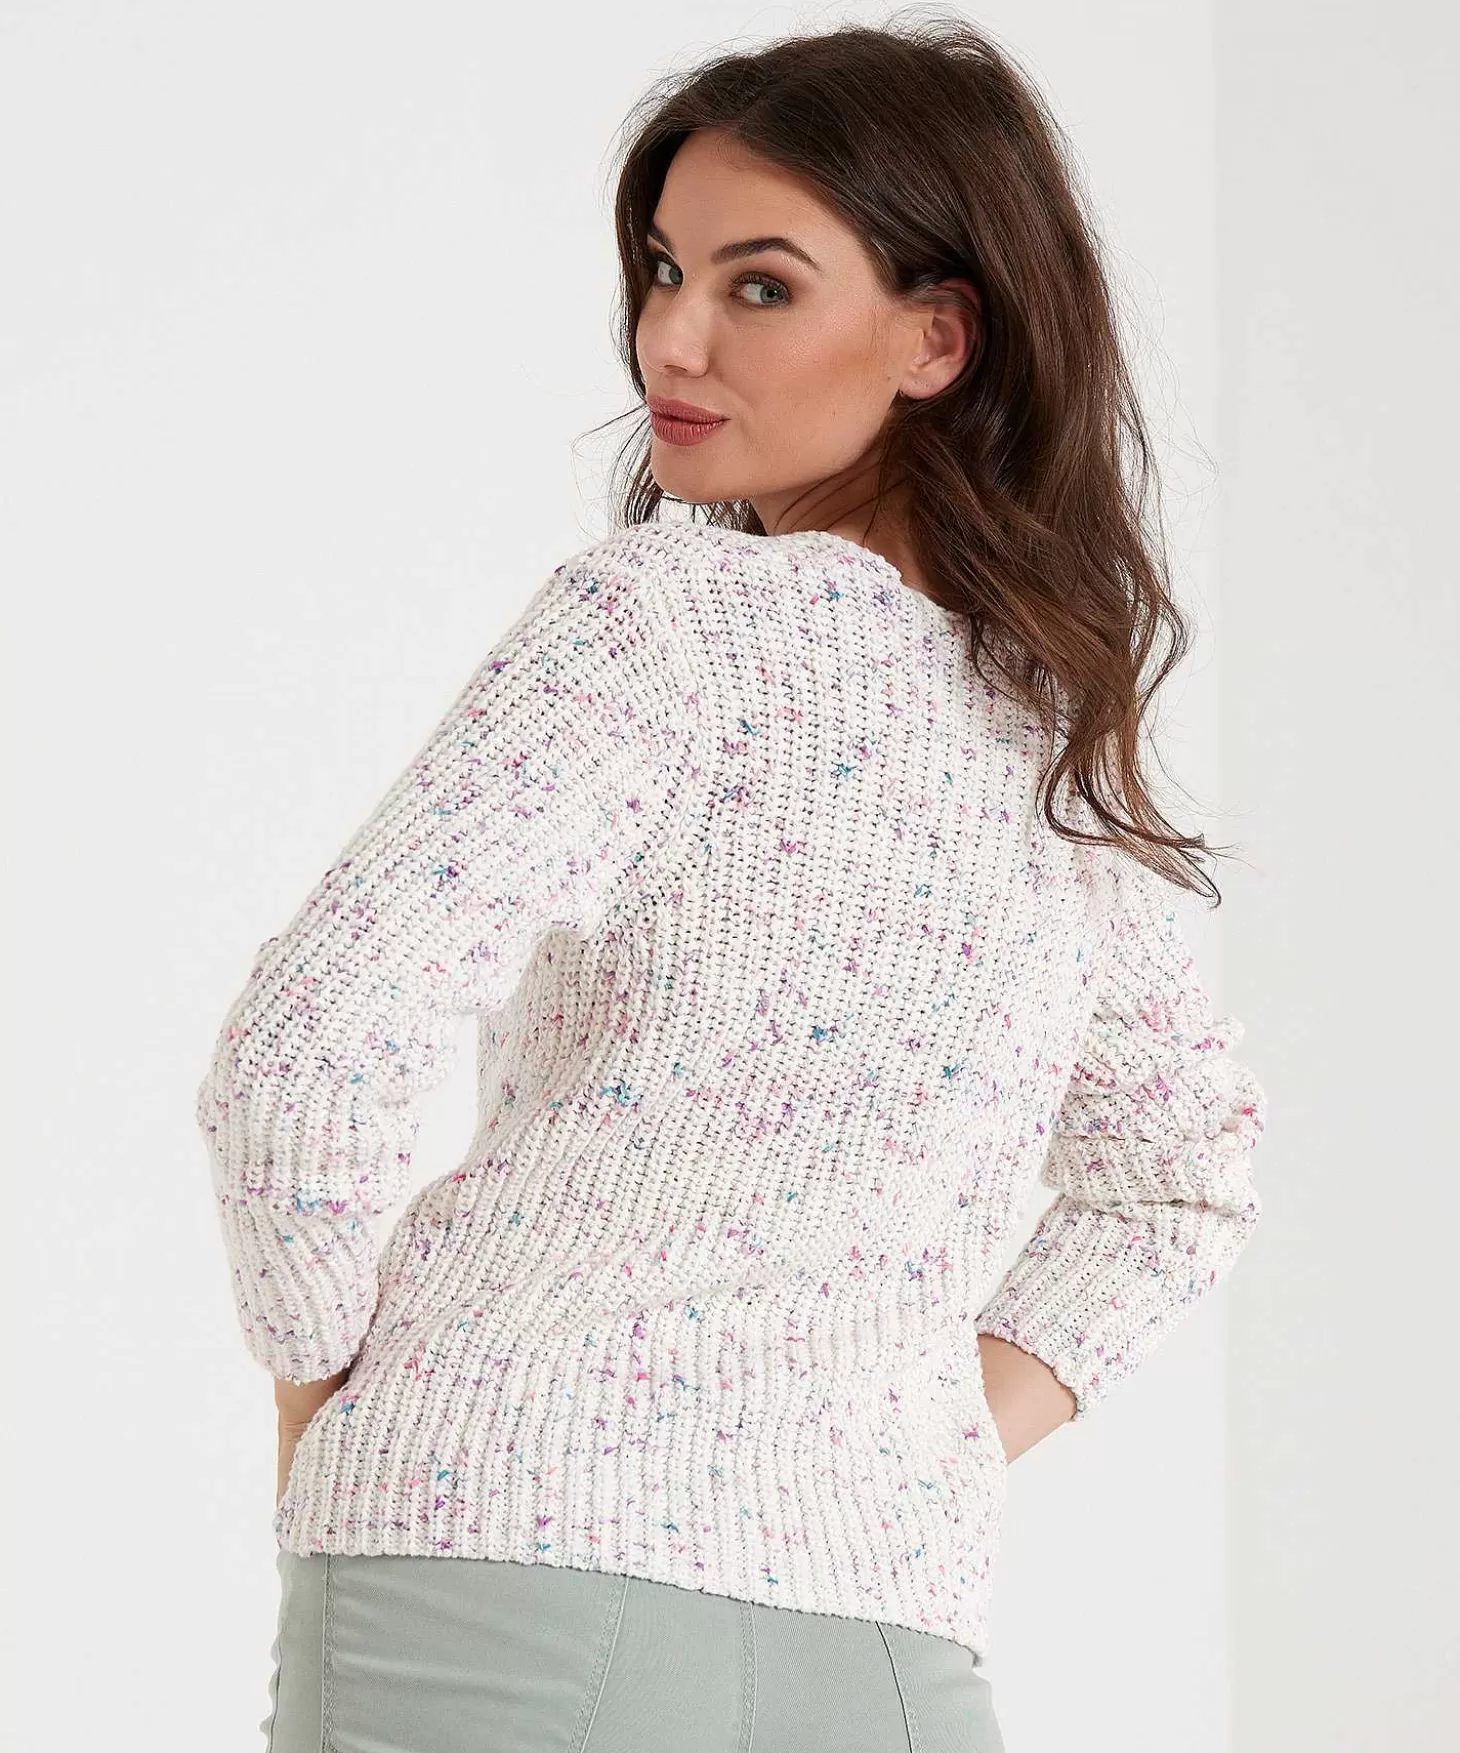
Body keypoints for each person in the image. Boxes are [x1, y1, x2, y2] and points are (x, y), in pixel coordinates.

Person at [197, 16, 1269, 1752]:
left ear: (937, 338)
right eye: (662, 269)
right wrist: (899, 1440)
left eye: (758, 286)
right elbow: (1178, 1178)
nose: (670, 338)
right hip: (887, 1643)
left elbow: (309, 1048)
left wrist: (325, 1402)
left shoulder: (663, 622)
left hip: (491, 1574)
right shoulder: (1051, 732)